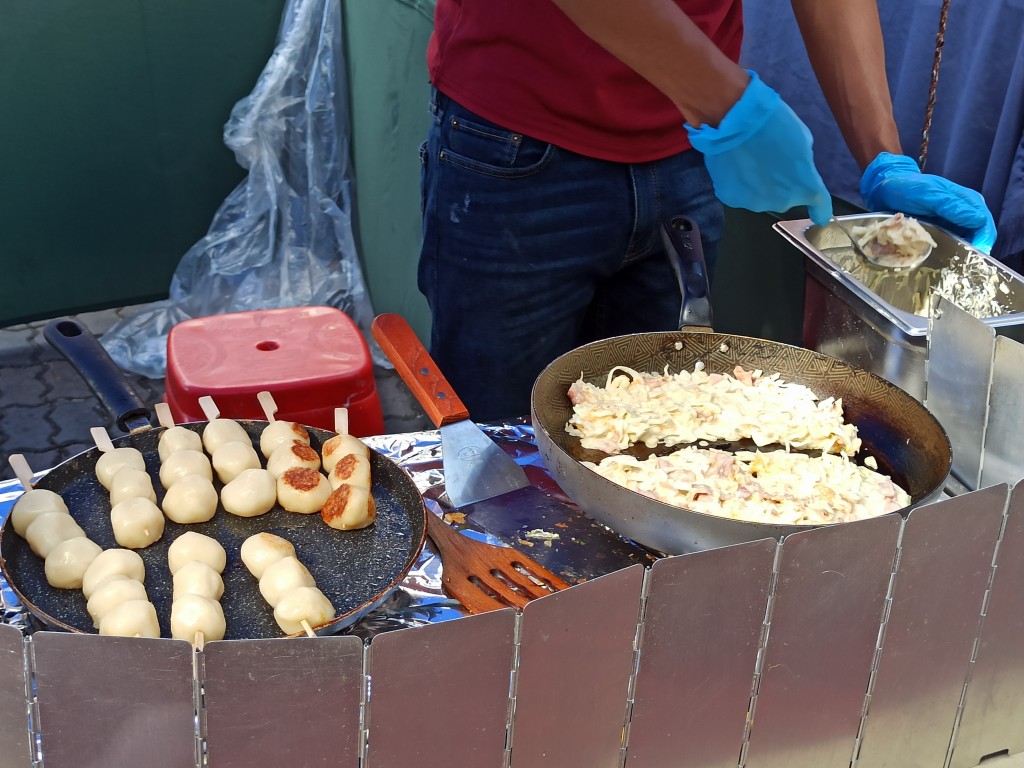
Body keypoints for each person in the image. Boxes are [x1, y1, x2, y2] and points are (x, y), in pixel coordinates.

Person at [418, 0, 997, 421]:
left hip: (690, 148)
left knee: (651, 436)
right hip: (517, 141)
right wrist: (729, 103)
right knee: (497, 452)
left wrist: (884, 159)